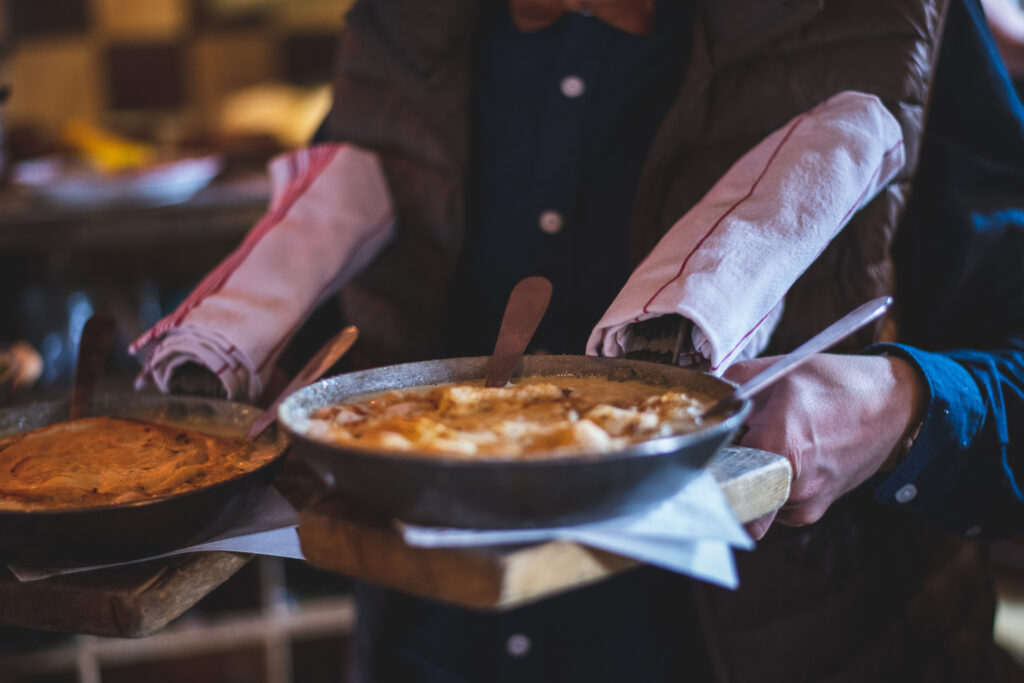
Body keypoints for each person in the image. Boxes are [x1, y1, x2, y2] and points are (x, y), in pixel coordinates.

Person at [133, 0, 1024, 680]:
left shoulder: (884, 22)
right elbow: (348, 296)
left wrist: (900, 409)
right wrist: (228, 351)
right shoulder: (401, 24)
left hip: (792, 645)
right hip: (428, 648)